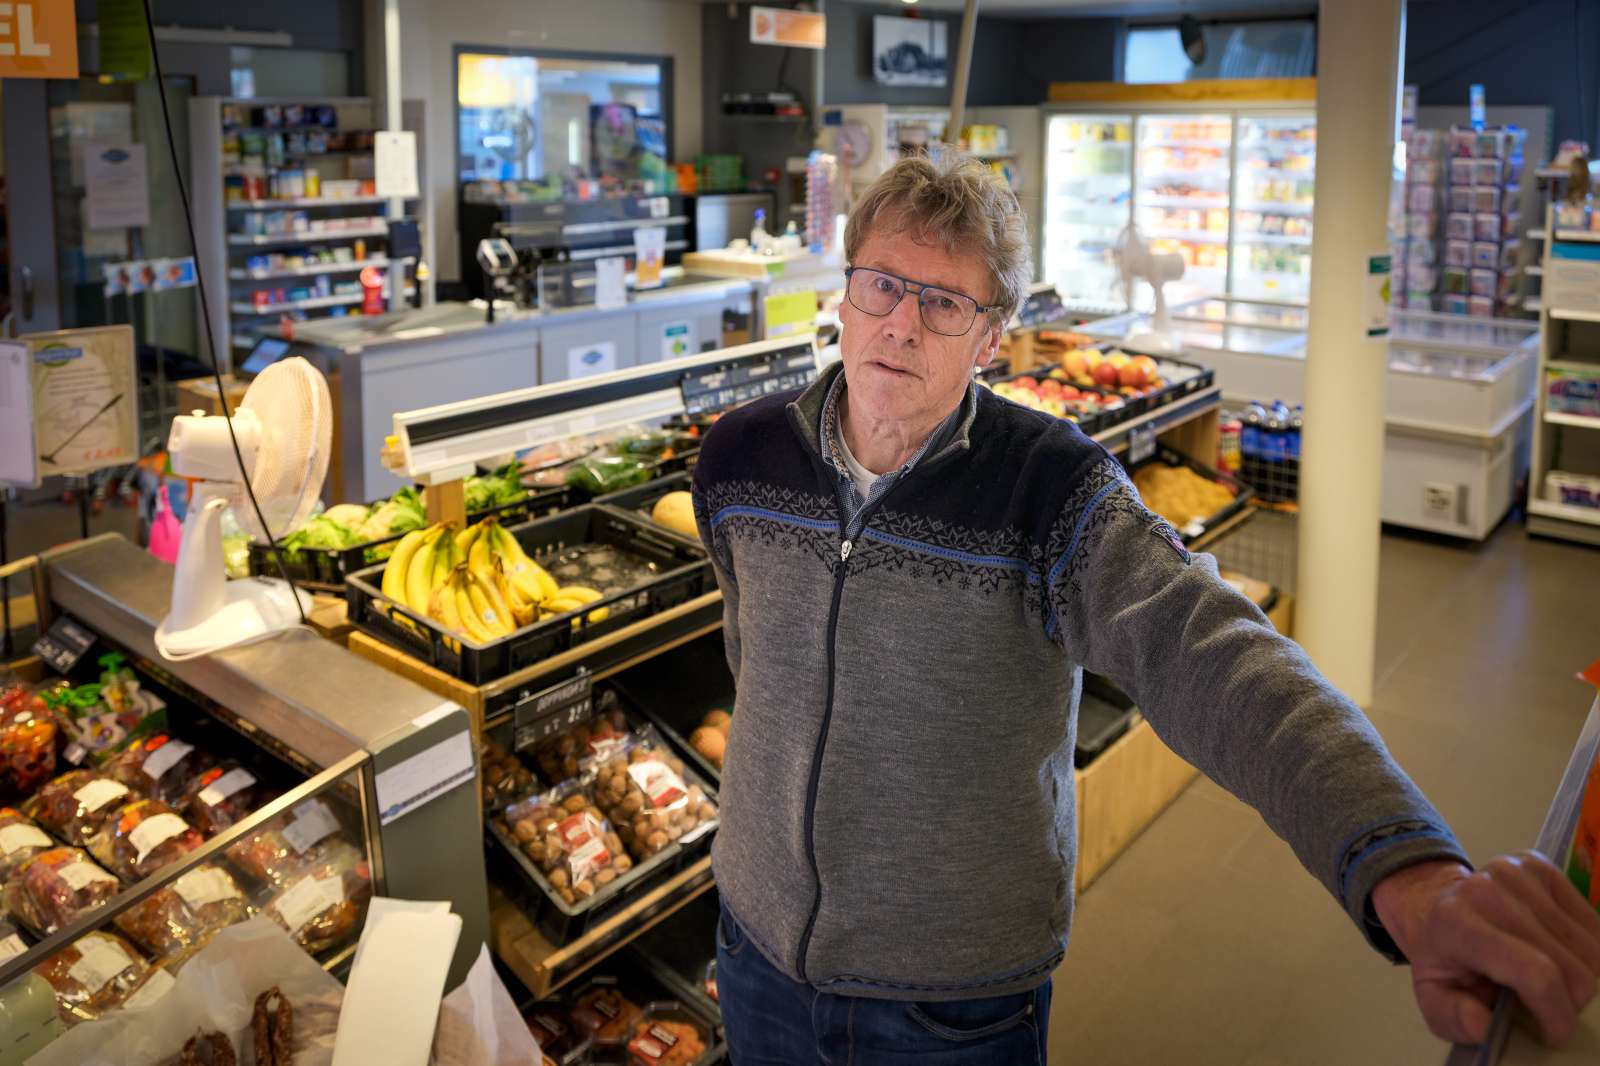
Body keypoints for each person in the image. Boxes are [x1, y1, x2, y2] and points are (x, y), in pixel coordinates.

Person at [689, 152, 1600, 1065]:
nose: (902, 326)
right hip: (757, 955)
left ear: (990, 339)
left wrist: (1410, 869)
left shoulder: (1049, 490)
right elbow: (757, 668)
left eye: (946, 303)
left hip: (948, 1002)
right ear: (845, 295)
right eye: (882, 286)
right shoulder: (740, 460)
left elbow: (1212, 655)